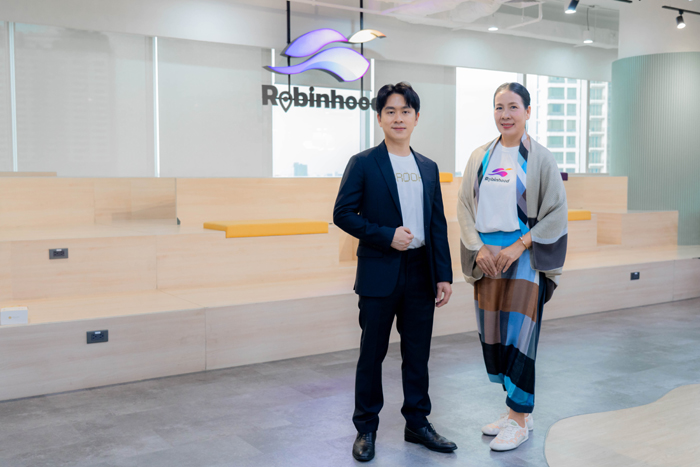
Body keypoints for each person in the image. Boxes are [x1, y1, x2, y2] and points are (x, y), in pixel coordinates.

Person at [333, 82, 457, 462]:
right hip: (379, 270)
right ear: (379, 118)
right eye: (390, 111)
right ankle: (366, 428)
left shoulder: (428, 167)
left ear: (416, 118)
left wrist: (444, 274)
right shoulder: (363, 163)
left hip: (421, 271)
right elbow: (343, 214)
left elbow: (437, 224)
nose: (398, 118)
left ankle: (417, 422)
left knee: (417, 353)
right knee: (372, 354)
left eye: (405, 111)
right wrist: (386, 235)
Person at [456, 82, 568, 452]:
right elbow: (464, 207)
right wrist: (478, 249)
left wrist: (520, 245)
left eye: (513, 107)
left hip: (523, 258)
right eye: (499, 107)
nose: (505, 114)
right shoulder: (480, 156)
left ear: (528, 111)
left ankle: (519, 420)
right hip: (487, 258)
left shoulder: (541, 158)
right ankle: (515, 410)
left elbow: (556, 212)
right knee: (494, 335)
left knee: (521, 336)